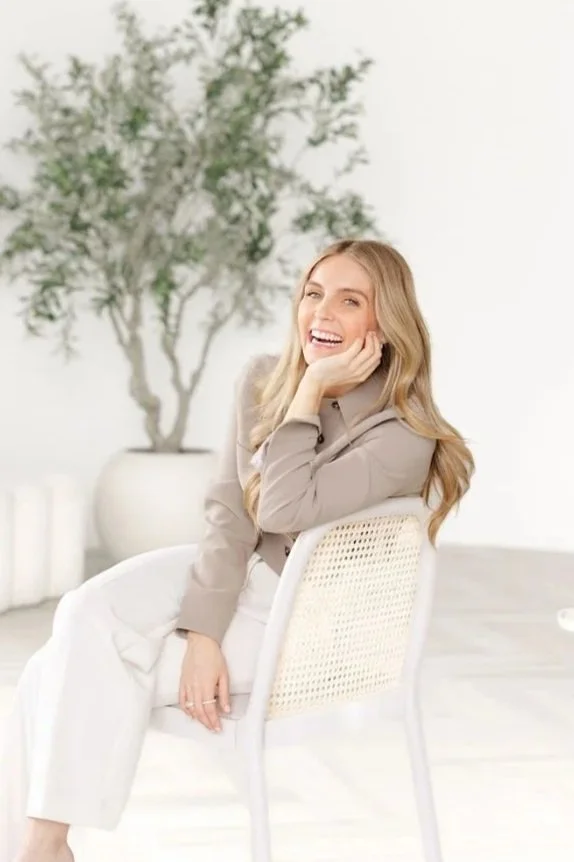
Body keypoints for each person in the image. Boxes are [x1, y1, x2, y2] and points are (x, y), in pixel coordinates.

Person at [0, 239, 474, 862]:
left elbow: (282, 509)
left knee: (52, 670)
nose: (321, 314)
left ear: (383, 324)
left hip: (304, 616)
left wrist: (307, 398)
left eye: (349, 301)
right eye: (313, 293)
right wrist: (203, 633)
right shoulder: (262, 377)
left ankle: (40, 848)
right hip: (240, 571)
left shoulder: (403, 434)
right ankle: (44, 847)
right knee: (85, 611)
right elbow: (231, 510)